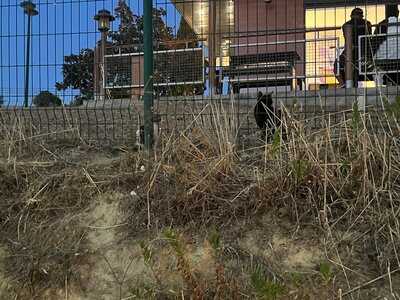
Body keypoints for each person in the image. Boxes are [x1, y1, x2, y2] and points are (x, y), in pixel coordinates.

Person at [337, 8, 372, 87]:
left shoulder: (346, 25)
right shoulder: (367, 24)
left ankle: (342, 83)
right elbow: (369, 38)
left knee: (338, 65)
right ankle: (343, 84)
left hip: (356, 52)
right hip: (361, 52)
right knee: (339, 64)